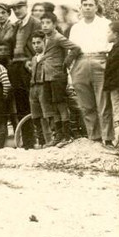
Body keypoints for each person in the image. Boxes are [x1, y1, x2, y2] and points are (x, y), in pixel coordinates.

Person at [67, 0, 114, 148]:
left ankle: (107, 138)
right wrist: (70, 71)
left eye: (90, 5)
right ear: (81, 7)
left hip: (100, 60)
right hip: (80, 62)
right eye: (85, 5)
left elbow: (112, 46)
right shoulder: (76, 27)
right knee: (86, 105)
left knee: (103, 102)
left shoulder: (106, 24)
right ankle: (94, 137)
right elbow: (71, 50)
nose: (87, 8)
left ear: (96, 7)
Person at [36, 12, 82, 147]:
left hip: (57, 76)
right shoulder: (46, 38)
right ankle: (59, 135)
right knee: (53, 105)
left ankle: (67, 136)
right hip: (47, 76)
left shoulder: (57, 37)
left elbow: (75, 48)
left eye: (48, 23)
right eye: (43, 23)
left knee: (61, 104)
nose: (44, 26)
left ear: (54, 24)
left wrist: (66, 62)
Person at [7, 0, 41, 150]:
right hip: (16, 66)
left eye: (19, 7)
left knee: (34, 102)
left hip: (28, 66)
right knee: (21, 104)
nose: (17, 10)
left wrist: (32, 62)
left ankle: (41, 139)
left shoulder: (35, 23)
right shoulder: (16, 25)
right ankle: (28, 142)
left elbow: (40, 45)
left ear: (26, 7)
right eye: (14, 8)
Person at [105, 21, 119, 151]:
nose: (107, 34)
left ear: (116, 34)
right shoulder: (115, 48)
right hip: (114, 86)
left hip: (117, 86)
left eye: (109, 32)